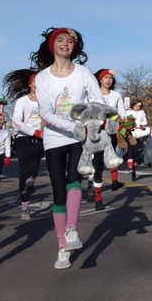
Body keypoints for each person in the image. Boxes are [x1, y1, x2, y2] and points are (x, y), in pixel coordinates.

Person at [29, 26, 97, 270]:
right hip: (54, 138)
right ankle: (62, 248)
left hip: (78, 137)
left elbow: (96, 100)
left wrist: (89, 122)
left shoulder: (83, 73)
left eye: (70, 41)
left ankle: (72, 230)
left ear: (75, 46)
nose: (65, 44)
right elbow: (45, 112)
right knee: (58, 190)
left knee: (74, 179)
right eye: (60, 40)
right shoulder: (43, 77)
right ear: (52, 45)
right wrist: (73, 126)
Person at [5, 69, 45, 220]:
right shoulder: (22, 101)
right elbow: (16, 122)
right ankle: (25, 206)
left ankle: (31, 181)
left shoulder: (45, 101)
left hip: (41, 138)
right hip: (24, 137)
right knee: (24, 169)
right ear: (30, 84)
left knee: (35, 160)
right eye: (35, 82)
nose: (37, 85)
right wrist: (33, 132)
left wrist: (43, 129)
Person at [85, 69, 126, 209]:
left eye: (110, 78)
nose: (108, 80)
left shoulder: (116, 95)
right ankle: (98, 198)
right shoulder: (92, 95)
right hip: (97, 132)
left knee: (112, 155)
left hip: (111, 131)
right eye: (106, 78)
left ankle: (114, 182)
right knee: (98, 163)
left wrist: (125, 121)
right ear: (100, 80)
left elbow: (122, 113)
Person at [126, 100, 149, 178]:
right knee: (130, 150)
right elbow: (124, 122)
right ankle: (130, 167)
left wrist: (139, 125)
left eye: (139, 106)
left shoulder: (142, 112)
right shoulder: (128, 112)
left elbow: (145, 122)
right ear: (132, 106)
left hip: (138, 134)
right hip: (129, 133)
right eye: (136, 106)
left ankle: (134, 172)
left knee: (135, 153)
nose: (137, 108)